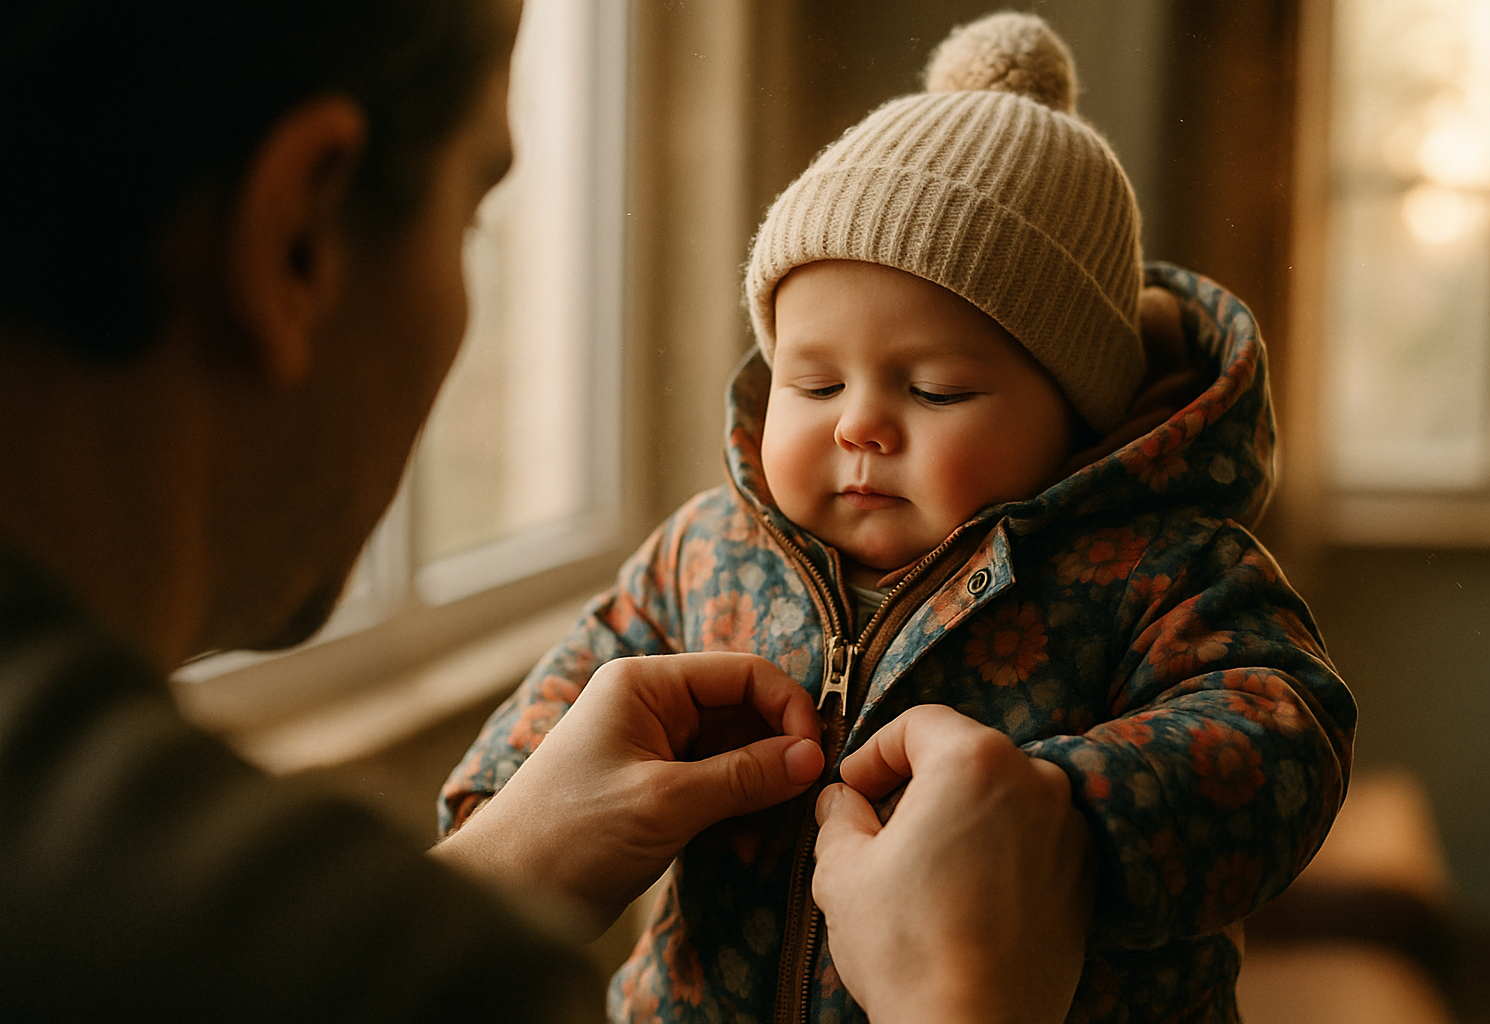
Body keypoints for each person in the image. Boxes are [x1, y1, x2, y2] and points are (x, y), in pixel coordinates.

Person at [0, 1, 1095, 1021]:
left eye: (938, 388)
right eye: (477, 211)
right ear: (298, 233)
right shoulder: (427, 979)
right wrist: (966, 993)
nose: (860, 426)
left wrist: (488, 874)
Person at [442, 12, 1359, 1024]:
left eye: (935, 390)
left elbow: (1282, 735)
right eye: (815, 381)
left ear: (1076, 416)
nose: (862, 426)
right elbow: (582, 693)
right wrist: (501, 819)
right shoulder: (705, 550)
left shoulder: (1166, 568)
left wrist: (1071, 820)